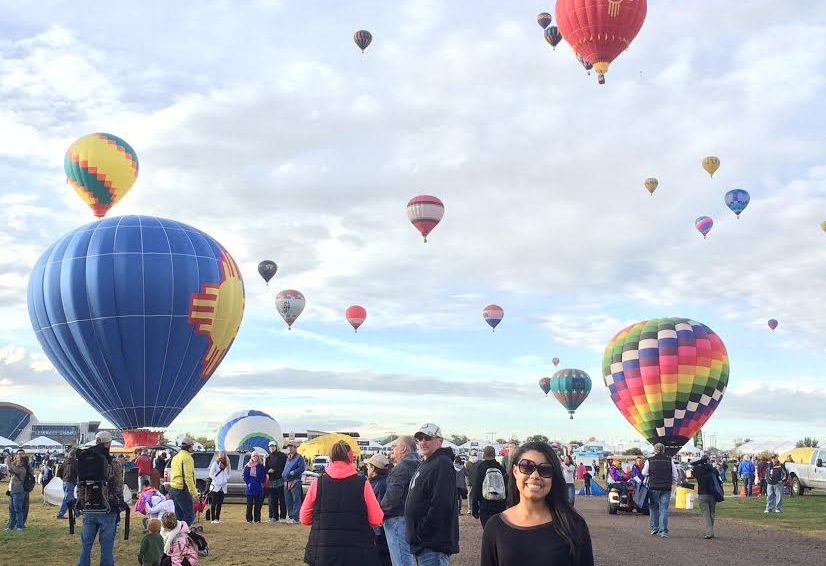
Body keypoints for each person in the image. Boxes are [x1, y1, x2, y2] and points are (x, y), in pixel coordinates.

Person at [480, 441, 594, 566]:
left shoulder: (573, 525)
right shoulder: (495, 527)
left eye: (545, 469)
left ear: (553, 477)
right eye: (526, 467)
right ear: (515, 471)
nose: (535, 475)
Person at [300, 441, 384, 565]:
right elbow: (377, 519)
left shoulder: (318, 483)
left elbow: (304, 518)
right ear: (350, 459)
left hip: (324, 552)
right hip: (357, 553)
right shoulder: (363, 484)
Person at [405, 423, 460, 565]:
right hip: (424, 545)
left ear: (440, 441)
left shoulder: (442, 463)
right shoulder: (426, 463)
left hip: (432, 544)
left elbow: (441, 504)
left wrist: (422, 532)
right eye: (420, 438)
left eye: (428, 438)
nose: (423, 442)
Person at [77, 430, 124, 566]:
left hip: (89, 506)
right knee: (107, 546)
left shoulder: (84, 459)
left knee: (86, 545)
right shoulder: (113, 463)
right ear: (108, 443)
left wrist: (81, 502)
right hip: (107, 508)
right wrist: (119, 502)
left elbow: (80, 484)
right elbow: (118, 486)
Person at [380, 435, 420, 566]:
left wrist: (379, 513)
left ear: (403, 449)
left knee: (401, 561)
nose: (393, 450)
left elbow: (393, 497)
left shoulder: (401, 468)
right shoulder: (420, 466)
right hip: (413, 520)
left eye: (394, 447)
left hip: (397, 520)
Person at [642, 443, 679, 538]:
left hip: (654, 487)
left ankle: (655, 527)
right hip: (666, 487)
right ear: (663, 450)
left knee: (654, 508)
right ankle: (663, 531)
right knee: (664, 509)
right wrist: (673, 482)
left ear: (655, 450)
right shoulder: (669, 460)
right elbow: (675, 474)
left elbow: (644, 472)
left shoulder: (649, 460)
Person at [471, 445, 507, 527]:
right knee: (499, 530)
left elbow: (476, 488)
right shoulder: (500, 468)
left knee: (487, 529)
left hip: (485, 504)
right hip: (500, 505)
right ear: (494, 455)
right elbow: (506, 486)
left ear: (484, 455)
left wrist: (475, 507)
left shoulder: (481, 468)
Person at [366, 453, 392, 566]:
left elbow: (380, 510)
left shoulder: (380, 485)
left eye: (368, 466)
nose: (367, 469)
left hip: (379, 535)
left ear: (373, 468)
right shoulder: (384, 482)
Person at [169, 437, 197, 527]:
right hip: (182, 489)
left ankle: (177, 535)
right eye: (192, 446)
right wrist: (194, 493)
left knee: (179, 516)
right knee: (189, 516)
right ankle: (182, 533)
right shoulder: (187, 458)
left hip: (173, 488)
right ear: (189, 447)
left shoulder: (176, 457)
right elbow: (188, 477)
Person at [691, 456, 719, 539]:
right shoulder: (713, 470)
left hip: (702, 493)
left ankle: (709, 532)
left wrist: (697, 464)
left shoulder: (698, 470)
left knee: (706, 513)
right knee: (712, 513)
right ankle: (711, 530)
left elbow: (692, 472)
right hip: (713, 494)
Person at [4, 449, 28, 531]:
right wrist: (10, 462)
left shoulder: (22, 468)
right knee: (11, 509)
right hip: (12, 490)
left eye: (17, 457)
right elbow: (10, 470)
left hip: (18, 490)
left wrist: (8, 462)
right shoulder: (15, 465)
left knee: (18, 509)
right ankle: (11, 526)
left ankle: (19, 526)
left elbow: (13, 469)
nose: (16, 457)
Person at [282, 441, 305, 524]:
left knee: (296, 500)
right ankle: (291, 516)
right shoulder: (288, 457)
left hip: (295, 481)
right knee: (288, 500)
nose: (290, 448)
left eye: (291, 447)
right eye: (289, 447)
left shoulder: (299, 457)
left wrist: (294, 472)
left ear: (295, 448)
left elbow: (302, 468)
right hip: (286, 481)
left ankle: (295, 518)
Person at [265, 440, 287, 522]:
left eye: (273, 446)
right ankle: (275, 517)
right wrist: (268, 471)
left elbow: (284, 467)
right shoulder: (268, 458)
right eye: (270, 446)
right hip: (271, 481)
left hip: (280, 480)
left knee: (282, 500)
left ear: (276, 447)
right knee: (273, 500)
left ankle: (283, 517)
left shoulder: (282, 456)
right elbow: (266, 468)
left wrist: (275, 470)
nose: (272, 448)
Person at [243, 451, 266, 523]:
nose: (255, 457)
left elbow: (263, 475)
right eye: (253, 456)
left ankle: (257, 519)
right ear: (251, 457)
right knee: (249, 504)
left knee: (258, 505)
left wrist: (262, 482)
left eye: (256, 456)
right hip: (250, 487)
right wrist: (249, 483)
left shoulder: (260, 466)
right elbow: (245, 476)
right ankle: (249, 519)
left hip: (258, 487)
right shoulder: (247, 466)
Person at [208, 452, 229, 524]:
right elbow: (210, 474)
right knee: (214, 502)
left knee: (220, 503)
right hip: (215, 486)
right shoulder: (215, 464)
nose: (222, 457)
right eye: (220, 456)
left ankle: (217, 518)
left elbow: (229, 473)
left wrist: (225, 479)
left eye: (223, 456)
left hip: (223, 486)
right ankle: (213, 519)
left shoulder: (227, 464)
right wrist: (217, 480)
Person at [57, 449, 78, 520]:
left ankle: (77, 512)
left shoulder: (65, 462)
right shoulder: (75, 462)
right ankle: (60, 514)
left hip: (65, 481)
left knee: (70, 498)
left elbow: (59, 471)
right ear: (75, 455)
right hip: (71, 482)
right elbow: (77, 472)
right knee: (67, 499)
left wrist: (63, 478)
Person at [464, 451, 480, 516]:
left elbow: (465, 473)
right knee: (477, 496)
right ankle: (477, 509)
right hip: (477, 482)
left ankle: (470, 509)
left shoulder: (467, 463)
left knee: (470, 496)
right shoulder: (479, 463)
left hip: (470, 482)